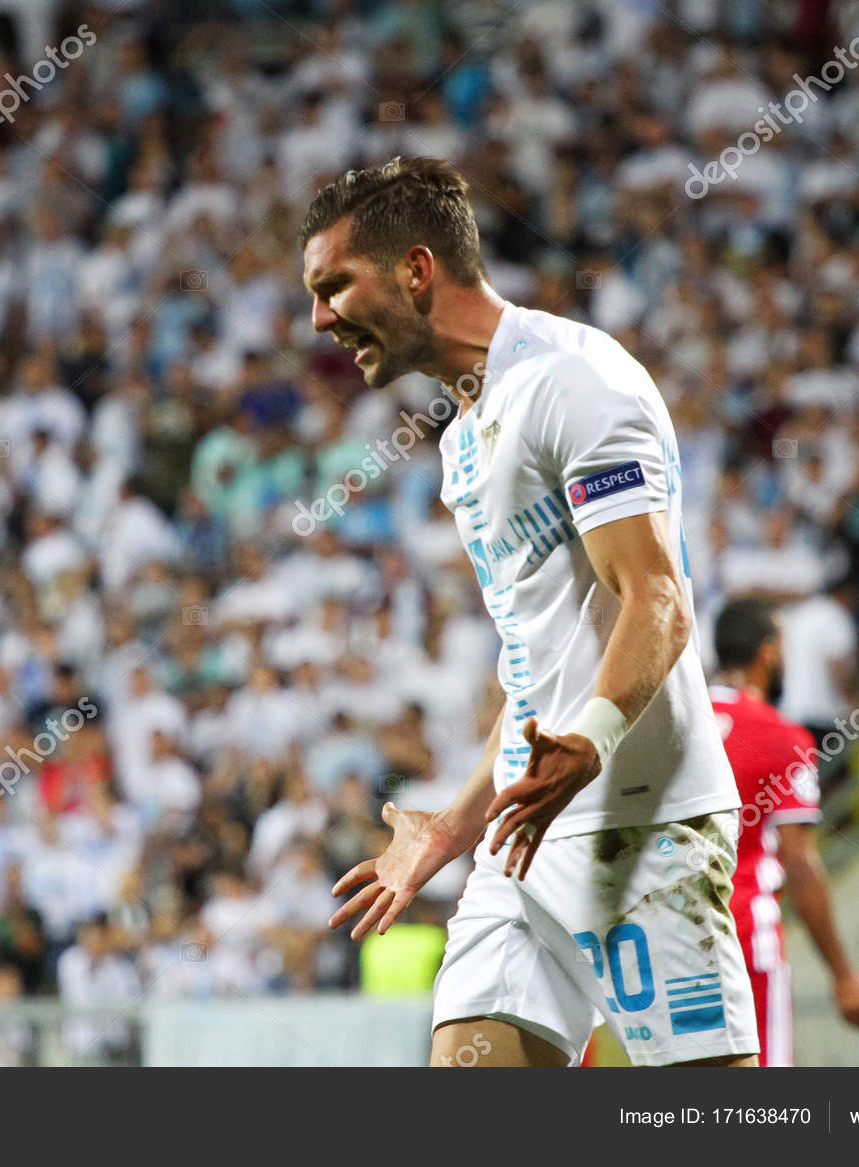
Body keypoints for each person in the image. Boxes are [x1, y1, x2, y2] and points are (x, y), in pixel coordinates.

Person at [307, 158, 757, 1067]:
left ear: (416, 269)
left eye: (333, 286)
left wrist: (587, 743)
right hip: (522, 837)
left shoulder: (573, 381)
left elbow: (658, 600)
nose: (319, 318)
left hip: (639, 821)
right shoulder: (465, 437)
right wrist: (456, 821)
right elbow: (536, 672)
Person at [709, 597, 859, 1065]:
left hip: (670, 943)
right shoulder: (783, 738)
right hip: (745, 944)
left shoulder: (676, 724)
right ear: (768, 652)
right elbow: (800, 862)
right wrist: (842, 974)